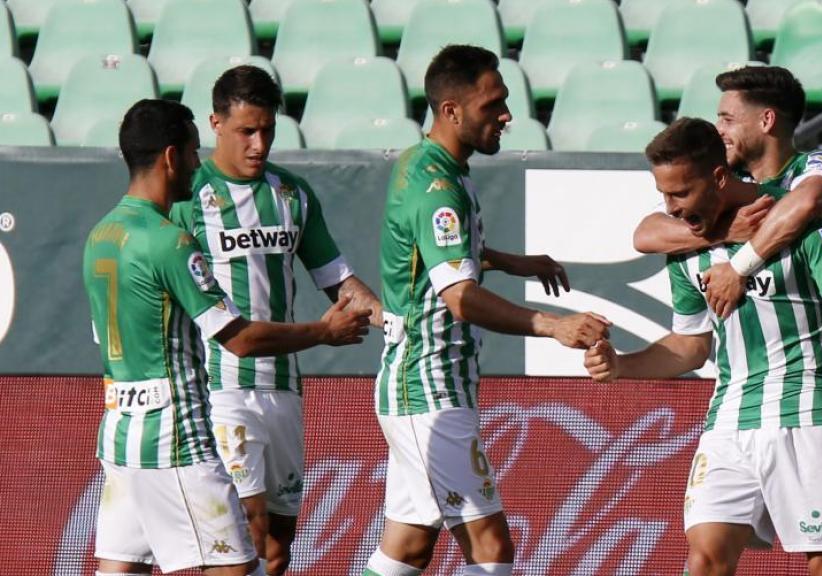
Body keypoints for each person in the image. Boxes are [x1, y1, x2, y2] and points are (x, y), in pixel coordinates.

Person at [633, 66, 822, 576]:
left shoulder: (812, 171)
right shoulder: (725, 197)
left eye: (728, 117)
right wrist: (715, 236)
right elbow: (646, 233)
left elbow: (804, 204)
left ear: (767, 119)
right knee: (709, 554)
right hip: (754, 399)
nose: (721, 129)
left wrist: (739, 264)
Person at [83, 99, 370, 576]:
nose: (199, 165)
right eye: (195, 152)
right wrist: (323, 331)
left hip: (120, 433)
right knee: (239, 568)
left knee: (119, 569)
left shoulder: (101, 235)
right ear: (172, 157)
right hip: (175, 436)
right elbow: (236, 337)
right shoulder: (169, 242)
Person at [585, 118, 822, 576]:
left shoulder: (803, 223)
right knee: (704, 559)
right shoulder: (688, 247)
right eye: (663, 194)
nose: (671, 208)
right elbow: (690, 344)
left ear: (719, 177)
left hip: (808, 410)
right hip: (728, 420)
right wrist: (622, 364)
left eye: (680, 193)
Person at [363, 45, 611, 576]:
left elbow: (431, 253)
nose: (506, 115)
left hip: (420, 385)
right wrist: (551, 324)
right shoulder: (439, 187)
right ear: (451, 110)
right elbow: (459, 297)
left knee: (407, 547)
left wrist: (507, 260)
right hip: (428, 387)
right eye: (492, 104)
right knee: (491, 548)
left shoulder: (423, 161)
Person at [169, 65, 383, 576]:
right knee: (247, 529)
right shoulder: (187, 196)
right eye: (247, 130)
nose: (259, 143)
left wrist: (389, 320)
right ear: (216, 123)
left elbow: (338, 280)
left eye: (268, 130)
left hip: (283, 388)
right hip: (220, 388)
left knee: (278, 545)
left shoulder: (293, 193)